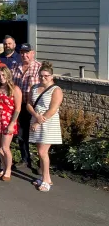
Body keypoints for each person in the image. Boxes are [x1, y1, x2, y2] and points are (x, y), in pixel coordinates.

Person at [28, 62, 64, 192]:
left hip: (48, 123)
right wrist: (35, 116)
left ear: (51, 76)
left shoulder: (56, 90)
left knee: (43, 152)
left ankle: (47, 179)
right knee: (40, 151)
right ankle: (44, 177)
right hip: (36, 119)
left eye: (46, 76)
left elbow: (53, 109)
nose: (43, 78)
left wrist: (39, 121)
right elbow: (29, 104)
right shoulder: (34, 87)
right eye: (41, 75)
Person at [11, 43, 42, 169]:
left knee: (38, 134)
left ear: (32, 53)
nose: (24, 55)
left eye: (27, 52)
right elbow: (11, 85)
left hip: (35, 106)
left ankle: (41, 163)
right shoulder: (15, 67)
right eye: (22, 53)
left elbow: (47, 86)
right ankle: (25, 158)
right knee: (22, 133)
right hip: (20, 105)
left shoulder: (39, 68)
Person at [0, 66, 22, 182]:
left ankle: (8, 170)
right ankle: (3, 167)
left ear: (8, 75)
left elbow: (18, 108)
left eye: (3, 75)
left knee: (5, 147)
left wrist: (12, 123)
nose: (1, 78)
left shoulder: (15, 89)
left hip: (8, 120)